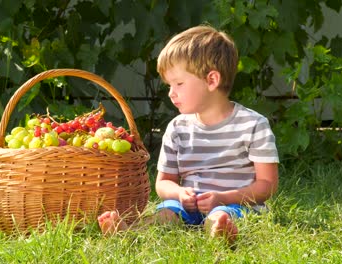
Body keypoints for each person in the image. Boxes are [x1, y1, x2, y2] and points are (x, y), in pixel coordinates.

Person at [97, 24, 279, 244]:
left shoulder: (253, 125)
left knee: (220, 214)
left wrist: (222, 198)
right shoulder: (177, 128)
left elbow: (267, 185)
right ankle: (131, 231)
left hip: (236, 204)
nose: (171, 93)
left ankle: (219, 229)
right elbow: (163, 184)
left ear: (212, 80)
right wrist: (180, 193)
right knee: (167, 214)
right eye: (169, 85)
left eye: (179, 83)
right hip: (187, 207)